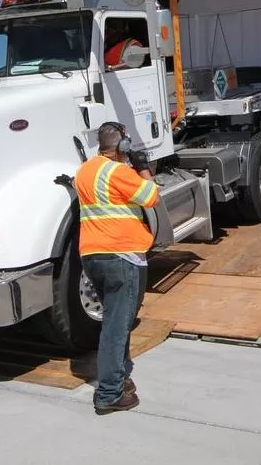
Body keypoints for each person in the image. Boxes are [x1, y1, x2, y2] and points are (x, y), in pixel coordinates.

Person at [74, 122, 160, 415]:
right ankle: (109, 393)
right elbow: (151, 196)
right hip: (121, 255)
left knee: (114, 320)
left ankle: (120, 378)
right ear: (122, 146)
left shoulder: (85, 170)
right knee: (117, 325)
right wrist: (143, 166)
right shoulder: (119, 171)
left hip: (92, 255)